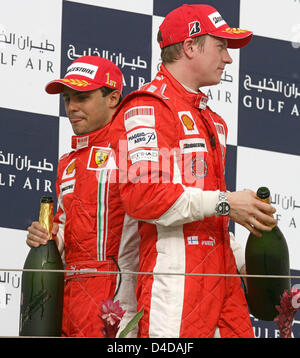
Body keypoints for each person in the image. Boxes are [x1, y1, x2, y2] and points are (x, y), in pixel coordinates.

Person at [108, 4, 277, 338]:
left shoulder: (212, 120)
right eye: (221, 46)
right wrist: (228, 202)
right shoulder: (146, 107)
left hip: (221, 279)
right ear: (189, 46)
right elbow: (144, 197)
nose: (228, 58)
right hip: (174, 282)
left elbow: (207, 212)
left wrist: (245, 261)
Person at [26, 56, 140, 337]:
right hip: (69, 295)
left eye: (82, 97)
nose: (71, 108)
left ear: (113, 98)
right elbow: (64, 225)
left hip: (116, 296)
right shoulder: (68, 161)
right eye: (67, 99)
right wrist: (47, 237)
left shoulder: (137, 153)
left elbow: (169, 209)